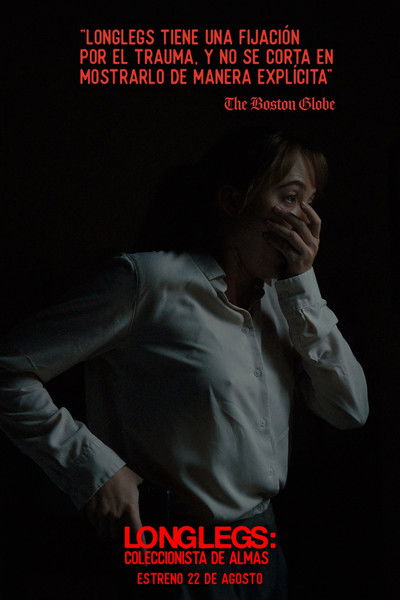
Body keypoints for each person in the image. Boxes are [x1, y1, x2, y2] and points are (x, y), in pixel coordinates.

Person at [0, 126, 369, 599]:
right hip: (175, 548)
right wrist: (93, 468)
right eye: (291, 198)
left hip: (264, 545)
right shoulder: (147, 282)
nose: (307, 223)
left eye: (311, 203)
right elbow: (9, 368)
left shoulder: (287, 304)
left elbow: (350, 409)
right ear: (233, 200)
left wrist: (303, 288)